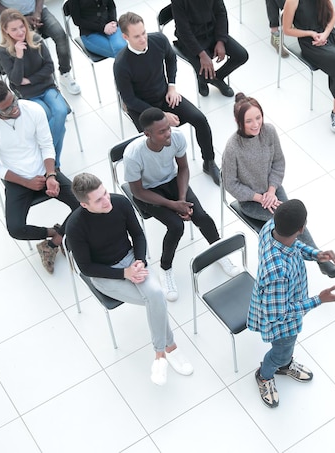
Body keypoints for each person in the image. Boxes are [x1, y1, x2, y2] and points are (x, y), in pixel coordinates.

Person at [66, 173, 195, 386]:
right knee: (154, 300)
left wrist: (140, 261)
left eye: (105, 193)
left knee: (156, 295)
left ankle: (160, 354)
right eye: (98, 199)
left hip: (130, 260)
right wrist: (123, 274)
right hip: (105, 274)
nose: (106, 200)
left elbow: (138, 235)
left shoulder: (119, 202)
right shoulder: (75, 226)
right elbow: (87, 268)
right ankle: (169, 348)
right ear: (84, 204)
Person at [123, 107, 239, 301]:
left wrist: (182, 200)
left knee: (200, 216)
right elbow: (137, 191)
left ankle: (219, 252)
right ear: (147, 134)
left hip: (173, 183)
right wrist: (172, 205)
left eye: (168, 128)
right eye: (162, 131)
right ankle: (165, 268)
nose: (168, 133)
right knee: (176, 226)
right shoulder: (133, 155)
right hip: (148, 192)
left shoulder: (176, 137)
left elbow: (183, 168)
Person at [222, 93, 335, 278]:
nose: (256, 124)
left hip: (274, 190)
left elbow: (279, 163)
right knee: (286, 223)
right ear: (238, 121)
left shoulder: (269, 131)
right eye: (249, 121)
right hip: (251, 200)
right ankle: (319, 259)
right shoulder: (232, 148)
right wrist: (260, 197)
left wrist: (271, 191)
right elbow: (230, 184)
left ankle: (318, 259)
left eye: (258, 118)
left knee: (295, 219)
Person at [248, 199, 335, 408]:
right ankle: (265, 375)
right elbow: (279, 315)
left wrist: (316, 254)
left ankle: (284, 364)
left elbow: (294, 244)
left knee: (286, 349)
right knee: (281, 350)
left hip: (285, 299)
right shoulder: (278, 272)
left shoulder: (270, 227)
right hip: (283, 322)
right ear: (302, 228)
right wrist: (320, 299)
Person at [0, 80, 78, 274]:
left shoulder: (32, 110)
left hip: (45, 170)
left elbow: (47, 144)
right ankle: (54, 232)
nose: (15, 109)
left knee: (83, 202)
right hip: (18, 180)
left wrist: (50, 175)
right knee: (15, 228)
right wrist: (26, 182)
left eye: (14, 101)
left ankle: (54, 242)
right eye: (7, 109)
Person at [114, 12, 221, 185]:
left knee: (200, 119)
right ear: (125, 37)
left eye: (144, 33)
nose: (143, 39)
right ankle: (164, 176)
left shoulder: (158, 40)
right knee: (156, 139)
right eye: (136, 36)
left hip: (165, 96)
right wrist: (162, 116)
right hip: (142, 109)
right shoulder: (121, 64)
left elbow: (171, 59)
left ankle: (209, 162)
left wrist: (172, 86)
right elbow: (130, 100)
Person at [282, 0, 335, 133]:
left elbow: (333, 14)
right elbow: (287, 30)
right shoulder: (292, 1)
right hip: (310, 43)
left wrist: (326, 33)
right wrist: (311, 33)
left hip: (329, 35)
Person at [0, 9, 69, 169]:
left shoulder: (36, 39)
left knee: (61, 112)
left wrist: (29, 79)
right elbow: (15, 80)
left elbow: (50, 67)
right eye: (14, 29)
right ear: (5, 31)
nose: (20, 31)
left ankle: (44, 161)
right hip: (29, 95)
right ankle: (54, 165)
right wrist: (19, 56)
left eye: (21, 26)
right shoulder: (3, 50)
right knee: (55, 122)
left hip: (47, 87)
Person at [0, 0, 81, 95]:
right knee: (29, 47)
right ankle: (36, 84)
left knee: (60, 35)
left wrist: (38, 12)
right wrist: (22, 18)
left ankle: (64, 73)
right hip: (14, 20)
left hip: (38, 10)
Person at [171, 0, 249, 97]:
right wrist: (202, 54)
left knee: (241, 55)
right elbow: (184, 31)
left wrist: (220, 41)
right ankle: (204, 80)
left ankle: (217, 78)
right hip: (191, 40)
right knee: (205, 75)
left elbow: (221, 13)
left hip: (212, 32)